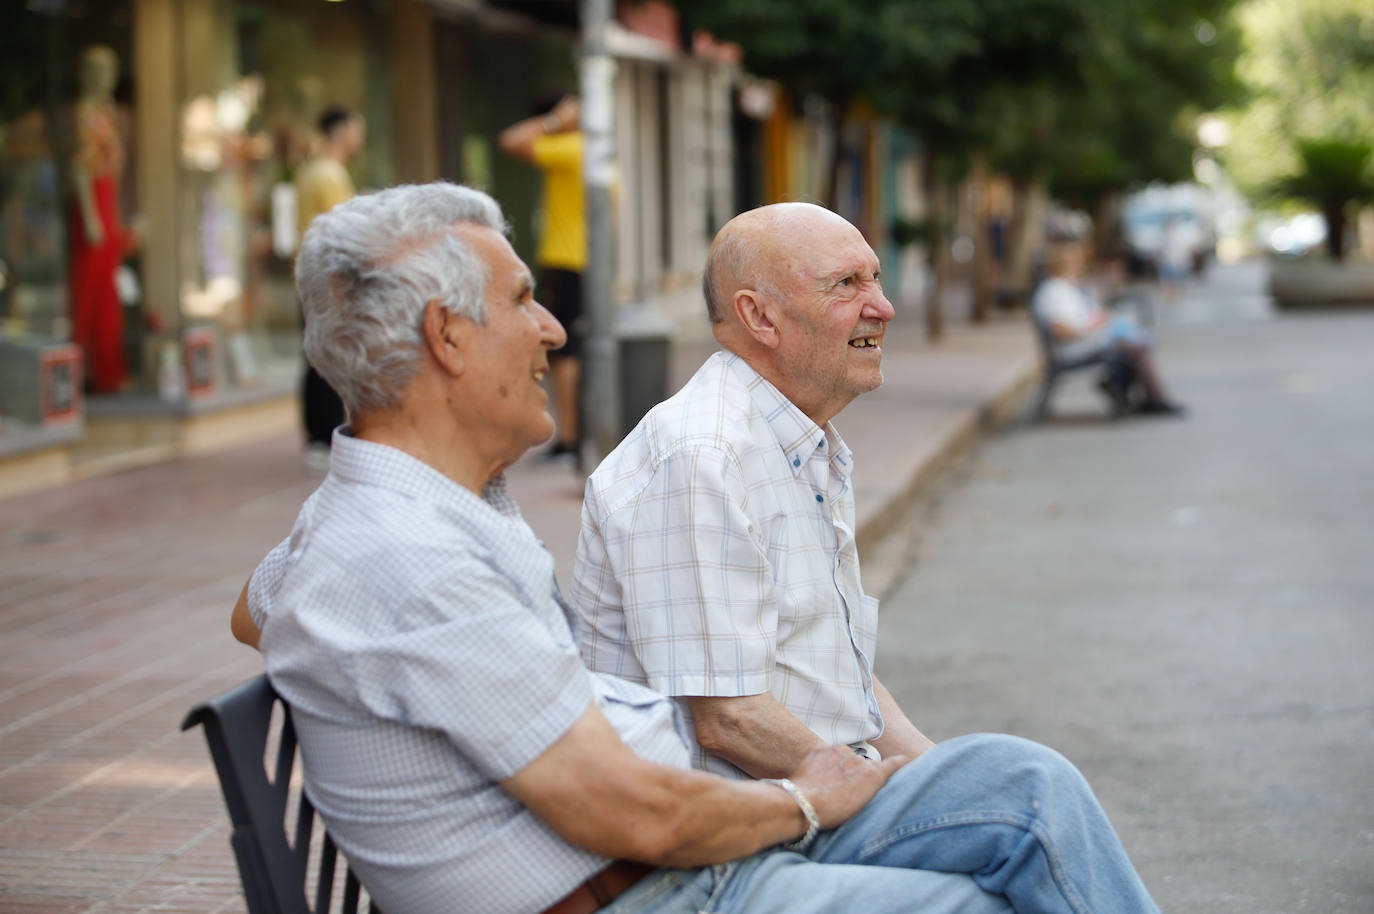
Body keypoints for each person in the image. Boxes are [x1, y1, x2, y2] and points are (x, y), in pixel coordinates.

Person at [231, 183, 1161, 914]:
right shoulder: (410, 558)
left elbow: (268, 603)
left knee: (1022, 791)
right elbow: (637, 806)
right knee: (998, 868)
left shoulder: (408, 511)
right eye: (525, 301)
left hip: (671, 862)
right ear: (447, 339)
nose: (554, 329)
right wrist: (809, 800)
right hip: (661, 880)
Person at [574, 202, 936, 780]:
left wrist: (938, 775)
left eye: (876, 278)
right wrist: (884, 793)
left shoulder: (799, 438)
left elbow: (836, 669)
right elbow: (728, 719)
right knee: (1034, 795)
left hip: (823, 792)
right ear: (760, 318)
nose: (883, 307)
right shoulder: (702, 457)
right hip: (754, 833)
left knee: (1011, 777)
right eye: (846, 284)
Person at [498, 94, 584, 465]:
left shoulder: (570, 148)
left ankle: (569, 439)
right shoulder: (599, 153)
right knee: (577, 350)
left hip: (566, 258)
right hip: (589, 263)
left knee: (563, 353)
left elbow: (510, 141)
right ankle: (575, 436)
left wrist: (553, 120)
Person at [1032, 233, 1184, 416]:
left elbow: (1090, 313)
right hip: (1074, 346)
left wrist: (1104, 322)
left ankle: (1136, 393)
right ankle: (1151, 398)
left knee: (1133, 338)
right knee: (1132, 346)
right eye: (1075, 260)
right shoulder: (1053, 291)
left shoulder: (1071, 287)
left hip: (1089, 338)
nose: (1080, 264)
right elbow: (1060, 329)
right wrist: (1093, 329)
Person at [295, 105, 366, 469]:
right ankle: (323, 437)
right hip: (326, 276)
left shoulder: (314, 170)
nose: (360, 137)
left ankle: (318, 437)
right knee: (327, 358)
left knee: (317, 355)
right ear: (342, 131)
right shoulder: (328, 173)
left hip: (315, 273)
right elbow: (344, 231)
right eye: (357, 128)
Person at [68, 44, 132, 394]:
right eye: (99, 69)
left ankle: (107, 370)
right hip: (93, 206)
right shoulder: (86, 112)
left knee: (108, 292)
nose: (106, 77)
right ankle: (81, 373)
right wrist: (91, 215)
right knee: (88, 291)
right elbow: (80, 167)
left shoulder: (107, 111)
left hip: (108, 204)